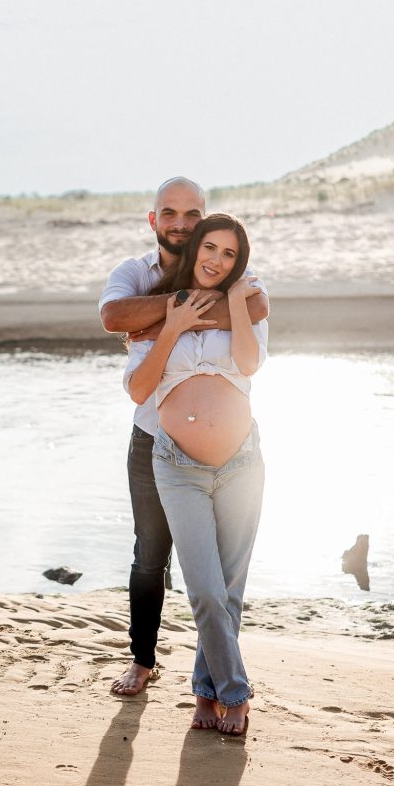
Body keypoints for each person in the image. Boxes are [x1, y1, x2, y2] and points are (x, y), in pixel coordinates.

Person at [99, 179, 268, 696]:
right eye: (168, 212)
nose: (179, 222)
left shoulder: (229, 269)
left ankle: (213, 683)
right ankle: (143, 660)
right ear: (153, 220)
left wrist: (165, 324)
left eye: (191, 213)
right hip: (154, 437)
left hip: (227, 455)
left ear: (203, 221)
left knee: (214, 577)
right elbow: (113, 317)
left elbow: (255, 308)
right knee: (151, 554)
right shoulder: (135, 272)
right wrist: (177, 310)